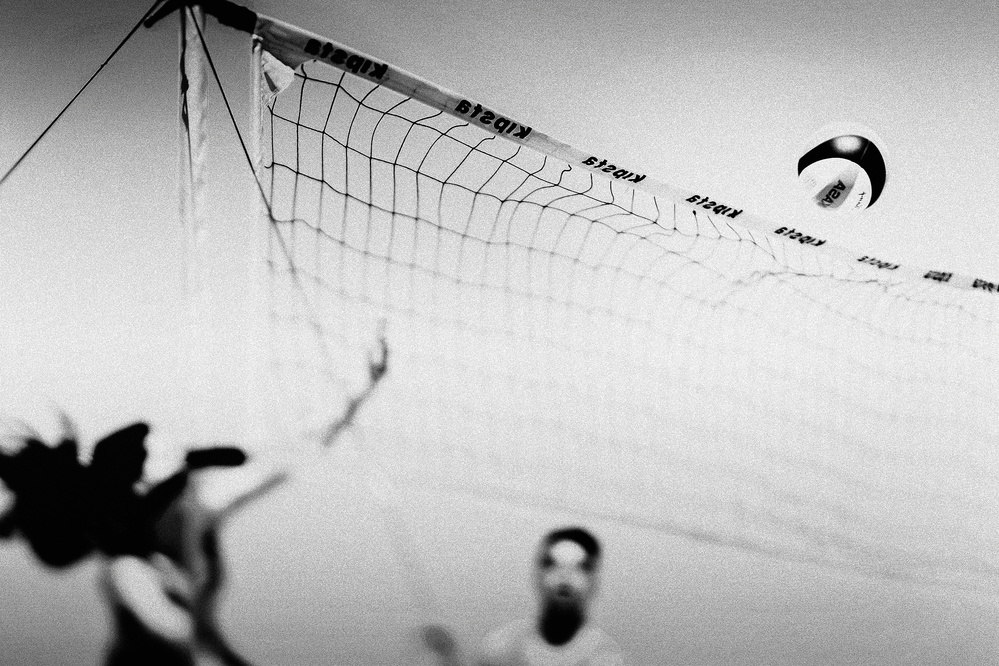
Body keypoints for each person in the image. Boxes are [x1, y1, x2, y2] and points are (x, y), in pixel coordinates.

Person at [424, 526, 625, 666]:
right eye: (553, 564)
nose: (565, 576)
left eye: (580, 567)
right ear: (537, 575)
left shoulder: (605, 659)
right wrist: (448, 655)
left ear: (594, 582)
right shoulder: (501, 645)